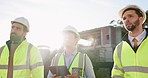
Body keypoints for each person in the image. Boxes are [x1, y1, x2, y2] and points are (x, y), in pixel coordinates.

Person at [111, 5, 147, 78]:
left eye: (130, 16)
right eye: (124, 18)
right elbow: (117, 73)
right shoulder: (119, 48)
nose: (126, 20)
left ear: (141, 19)